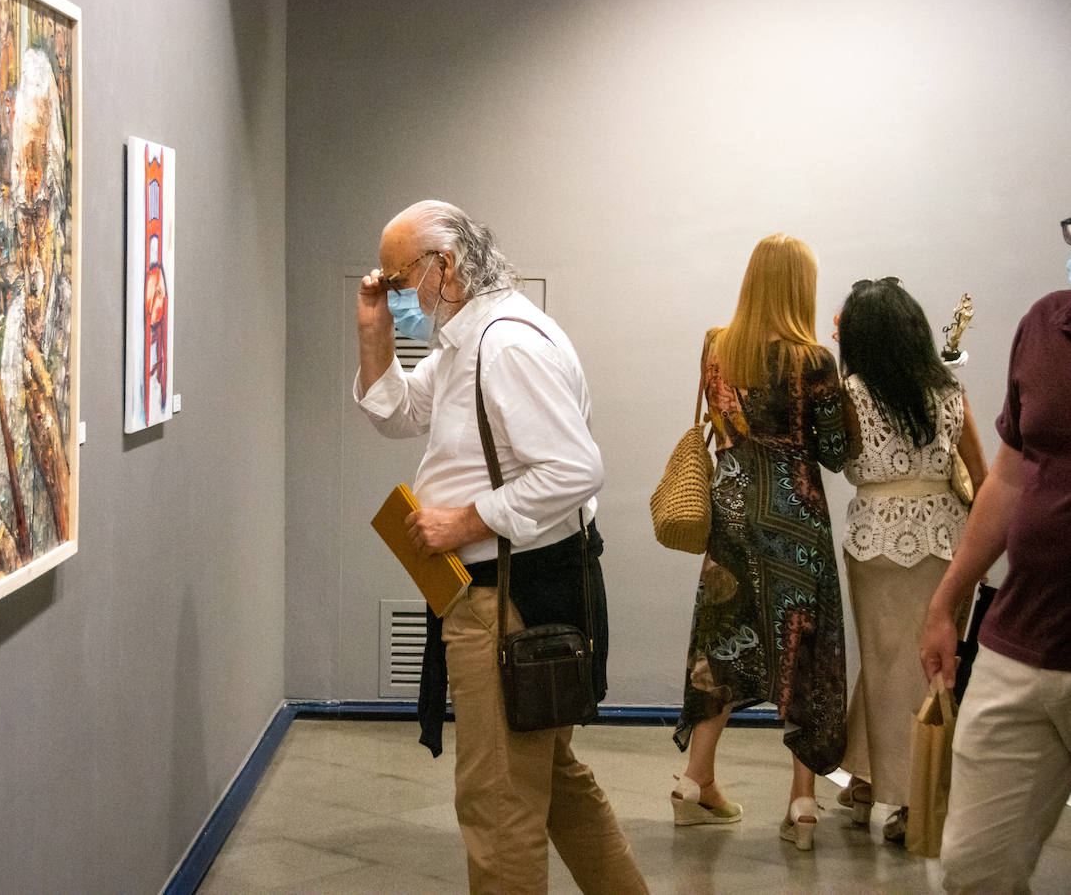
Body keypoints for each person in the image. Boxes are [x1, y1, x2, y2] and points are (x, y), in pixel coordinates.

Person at [354, 200, 646, 893]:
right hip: (510, 593)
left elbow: (575, 471)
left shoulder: (506, 346)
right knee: (554, 785)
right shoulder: (468, 340)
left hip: (508, 601)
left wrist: (466, 521)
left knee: (498, 806)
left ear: (443, 268)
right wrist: (374, 329)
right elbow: (397, 411)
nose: (397, 297)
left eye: (399, 285)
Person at [671, 234, 856, 851]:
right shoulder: (815, 361)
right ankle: (803, 801)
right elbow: (834, 453)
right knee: (806, 652)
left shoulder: (715, 347)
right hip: (796, 520)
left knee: (721, 642)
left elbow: (720, 426)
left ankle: (696, 782)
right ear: (800, 287)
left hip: (730, 513)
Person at [920, 218, 1071, 893]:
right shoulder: (1045, 327)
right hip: (1020, 642)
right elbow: (1008, 479)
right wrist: (948, 598)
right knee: (973, 867)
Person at [833, 278, 988, 845]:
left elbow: (837, 458)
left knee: (885, 667)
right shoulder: (950, 391)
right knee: (931, 672)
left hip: (874, 541)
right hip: (948, 541)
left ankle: (904, 798)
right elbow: (982, 475)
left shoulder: (849, 395)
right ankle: (880, 783)